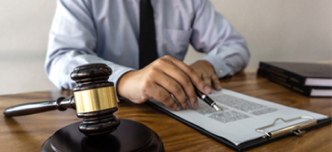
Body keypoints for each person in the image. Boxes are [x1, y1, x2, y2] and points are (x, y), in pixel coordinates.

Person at [45, 0, 250, 111]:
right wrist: (123, 80)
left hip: (174, 112)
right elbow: (61, 57)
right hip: (107, 113)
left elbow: (235, 45)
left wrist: (209, 64)